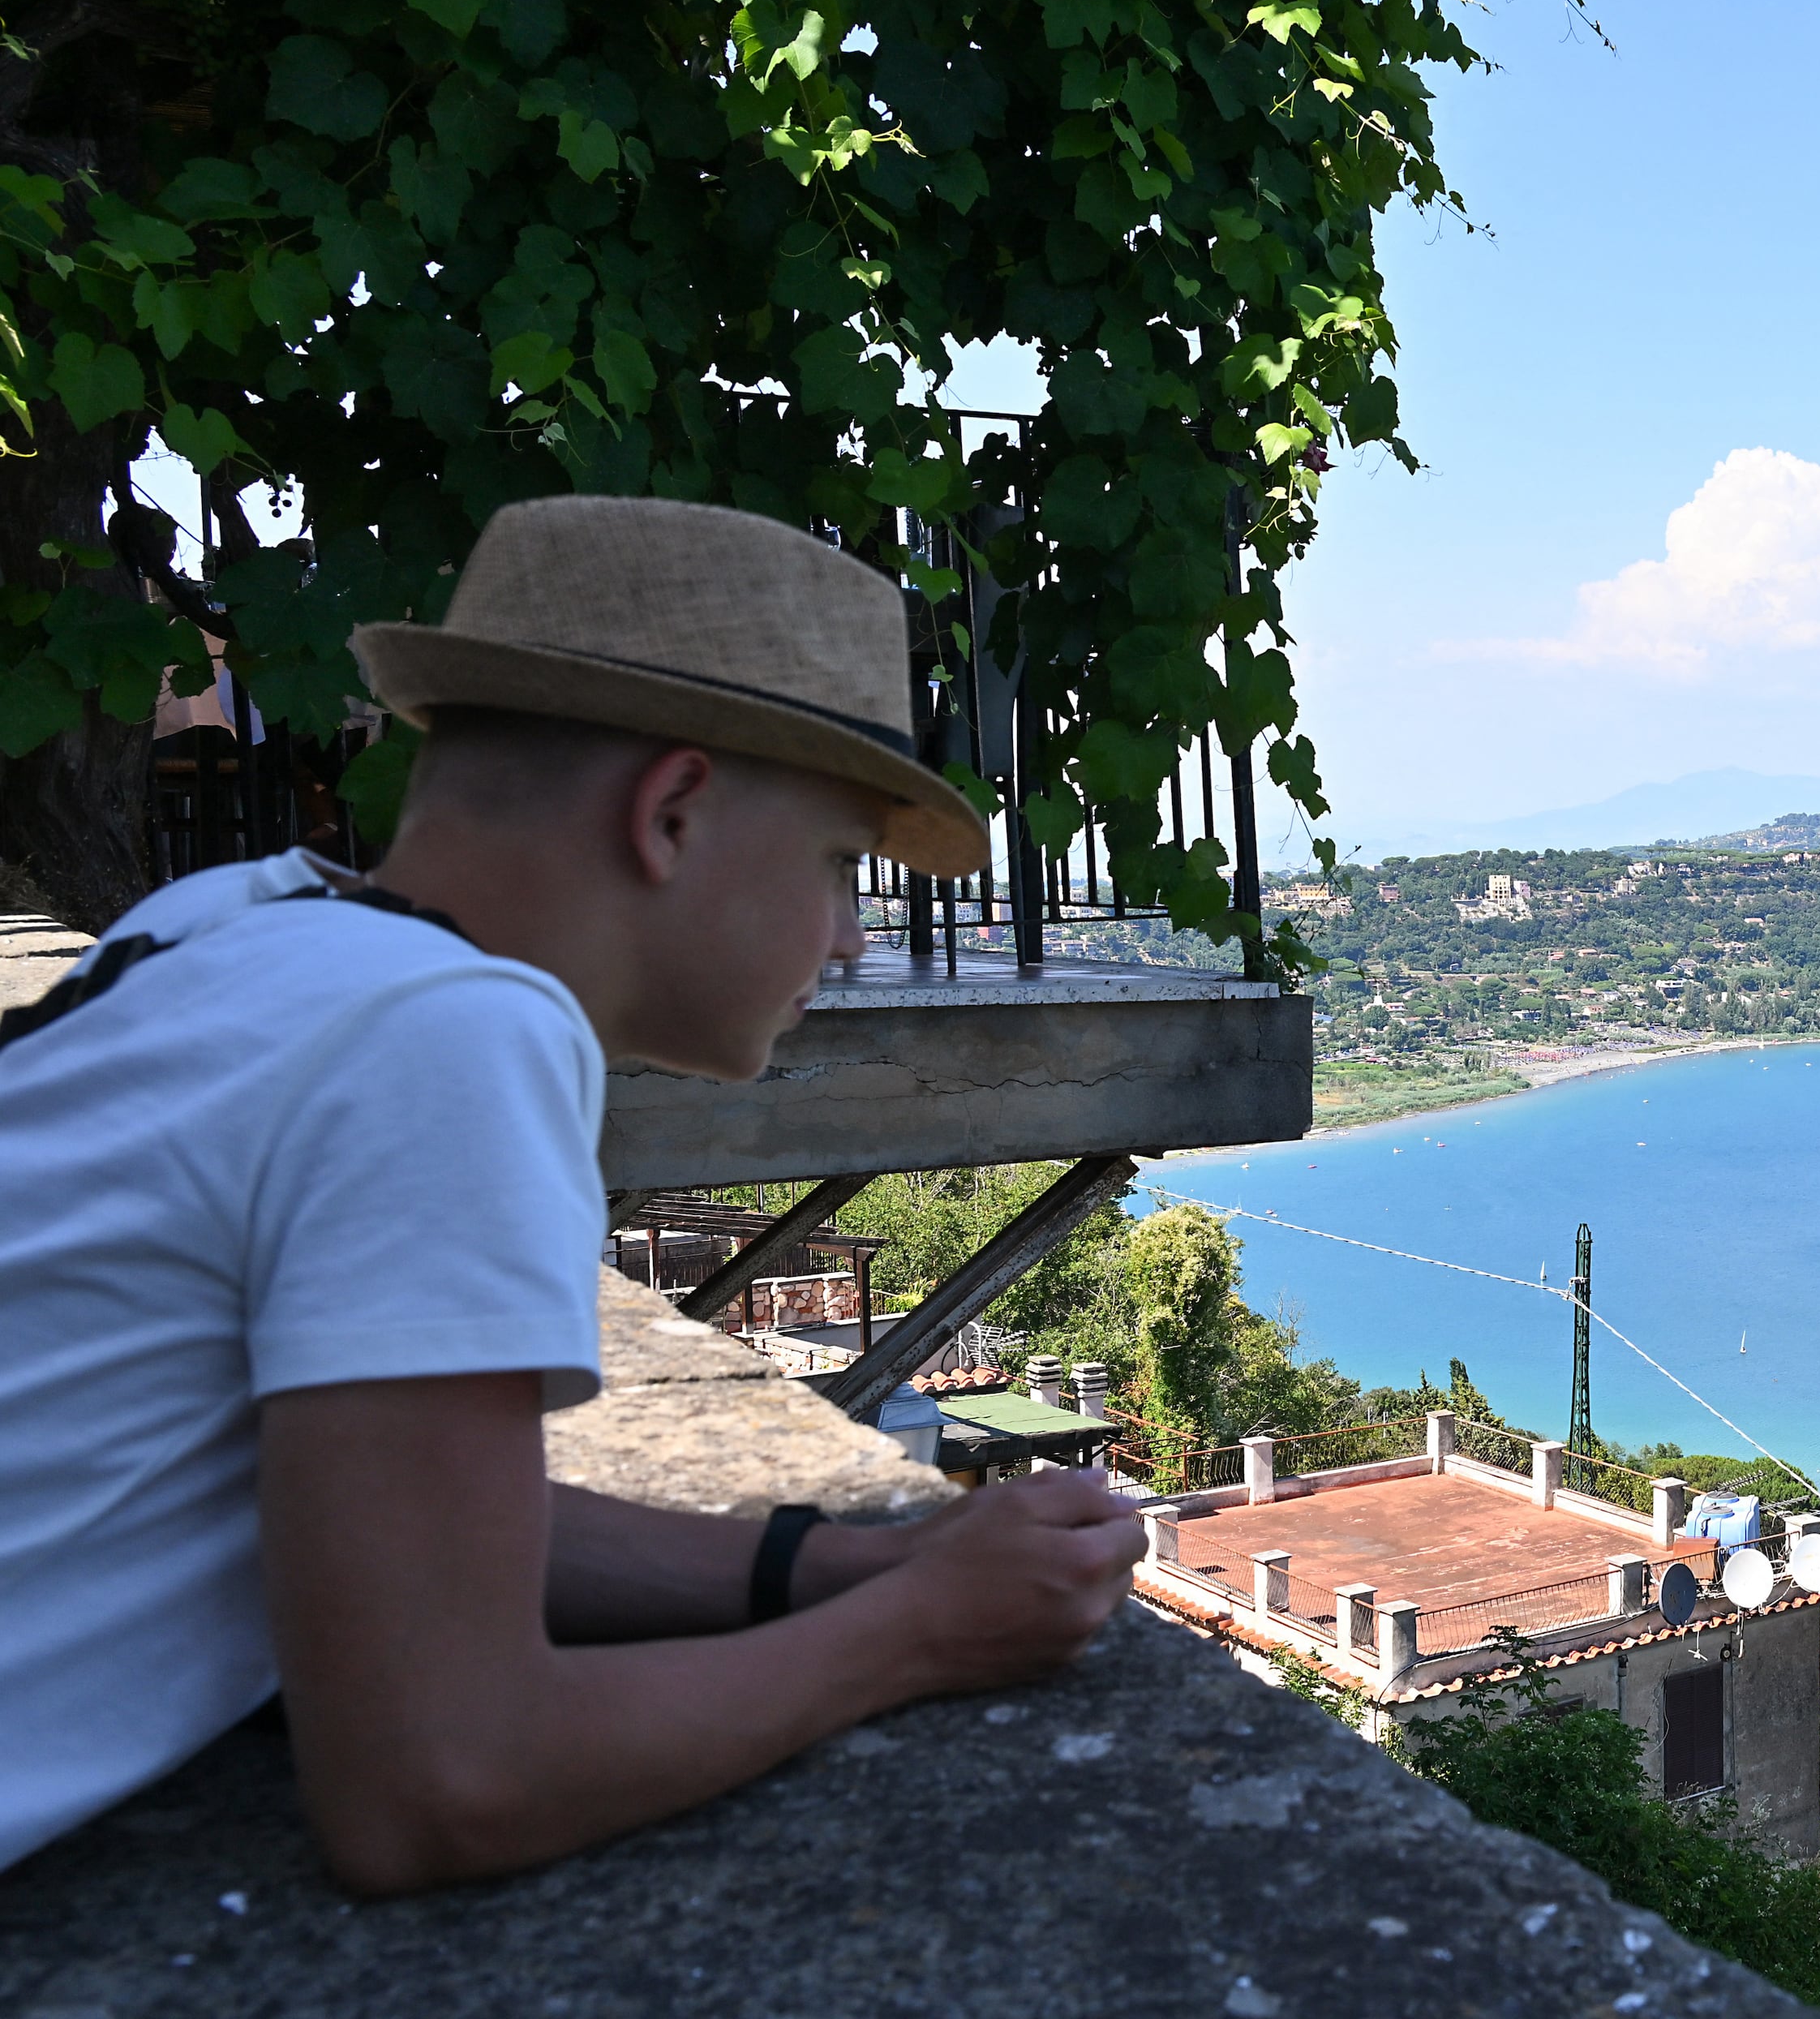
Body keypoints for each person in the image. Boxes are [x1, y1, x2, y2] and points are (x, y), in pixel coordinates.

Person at [0, 496, 1144, 1891]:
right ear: (668, 814)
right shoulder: (451, 1035)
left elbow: (407, 1527)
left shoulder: (224, 925)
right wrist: (920, 1635)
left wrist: (854, 1563)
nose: (852, 937)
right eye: (842, 865)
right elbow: (443, 1781)